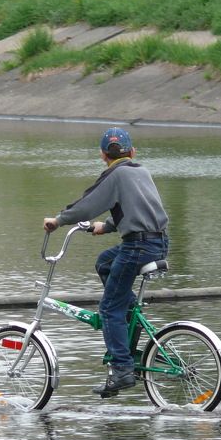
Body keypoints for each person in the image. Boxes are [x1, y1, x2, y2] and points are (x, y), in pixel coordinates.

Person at [44, 128, 169, 397]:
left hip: (136, 246)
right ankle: (129, 311)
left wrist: (58, 220)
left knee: (109, 306)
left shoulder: (114, 174)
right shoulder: (141, 171)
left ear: (103, 155)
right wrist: (108, 226)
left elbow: (87, 205)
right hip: (158, 242)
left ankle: (121, 369)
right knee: (104, 262)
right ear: (132, 152)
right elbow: (139, 206)